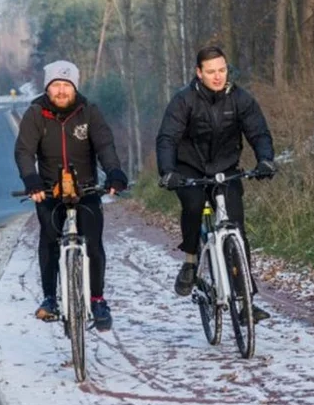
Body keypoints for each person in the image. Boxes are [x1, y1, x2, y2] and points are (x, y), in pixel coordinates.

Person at [156, 46, 277, 321]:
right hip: (190, 168)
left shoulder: (240, 99)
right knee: (194, 205)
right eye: (211, 71)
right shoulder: (183, 101)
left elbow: (258, 132)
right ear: (199, 73)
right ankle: (190, 261)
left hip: (225, 169)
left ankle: (246, 299)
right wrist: (167, 171)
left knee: (237, 229)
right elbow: (167, 138)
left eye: (222, 70)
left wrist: (266, 160)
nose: (218, 76)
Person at [14, 60, 128, 332]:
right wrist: (31, 180)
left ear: (75, 87)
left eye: (67, 85)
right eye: (56, 85)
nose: (62, 91)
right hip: (49, 190)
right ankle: (51, 298)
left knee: (94, 245)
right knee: (49, 241)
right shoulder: (35, 114)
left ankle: (98, 299)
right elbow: (24, 151)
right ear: (48, 88)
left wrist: (114, 173)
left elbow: (104, 145)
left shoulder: (89, 112)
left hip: (86, 189)